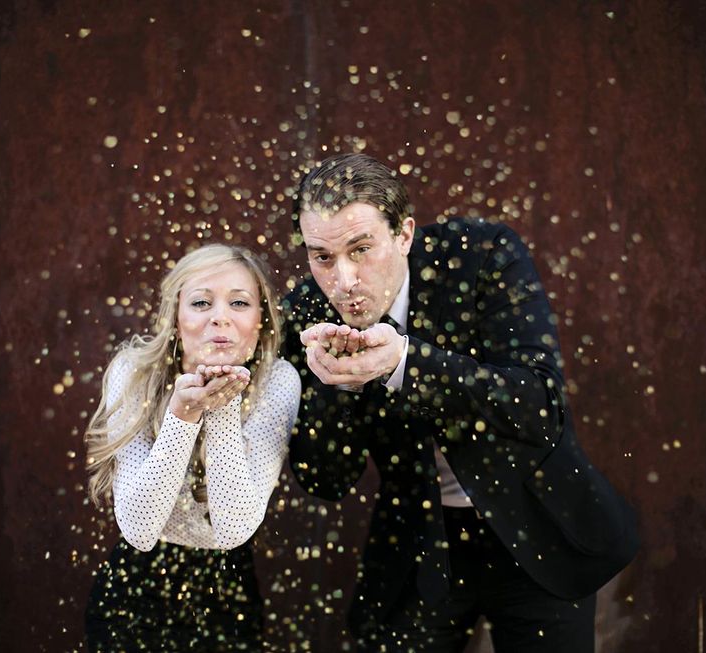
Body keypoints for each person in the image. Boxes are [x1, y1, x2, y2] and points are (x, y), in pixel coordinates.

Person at [282, 153, 639, 652]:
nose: (343, 281)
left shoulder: (481, 254)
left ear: (404, 234)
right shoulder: (306, 311)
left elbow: (540, 405)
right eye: (322, 257)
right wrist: (337, 389)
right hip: (420, 544)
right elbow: (326, 477)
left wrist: (406, 363)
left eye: (361, 249)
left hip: (534, 525)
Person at [83, 244, 300, 652]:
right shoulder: (135, 373)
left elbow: (233, 529)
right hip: (134, 598)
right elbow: (140, 531)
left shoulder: (278, 381)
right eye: (201, 302)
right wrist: (183, 415)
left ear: (260, 323)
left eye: (239, 302)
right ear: (176, 320)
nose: (220, 316)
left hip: (227, 597)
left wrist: (220, 407)